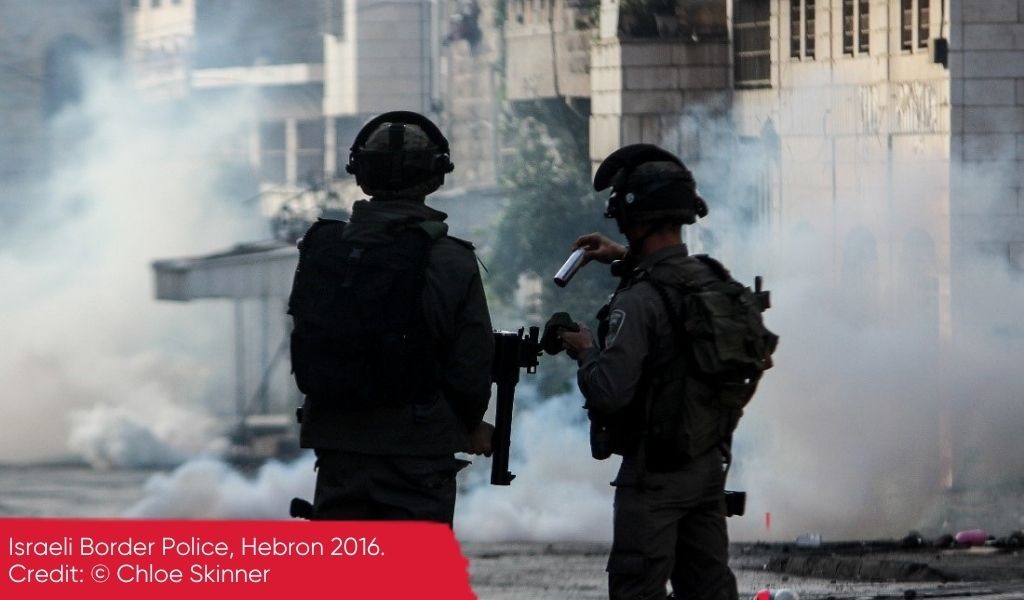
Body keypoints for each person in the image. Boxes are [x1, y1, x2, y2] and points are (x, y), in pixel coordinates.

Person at [558, 144, 768, 600]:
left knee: (637, 588)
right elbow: (672, 281)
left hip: (653, 476)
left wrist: (585, 351)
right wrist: (620, 256)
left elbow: (608, 393)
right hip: (707, 465)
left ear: (634, 219)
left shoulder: (639, 301)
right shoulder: (713, 279)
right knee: (709, 587)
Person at [288, 111, 494, 525]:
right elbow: (471, 363)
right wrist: (470, 425)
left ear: (360, 175)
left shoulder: (324, 249)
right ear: (436, 177)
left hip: (338, 447)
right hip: (417, 453)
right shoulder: (451, 259)